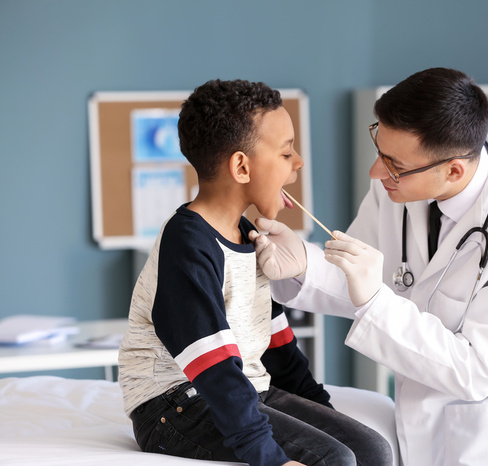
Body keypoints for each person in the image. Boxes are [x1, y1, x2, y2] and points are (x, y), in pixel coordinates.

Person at [249, 68, 488, 465]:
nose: (375, 172)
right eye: (379, 150)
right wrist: (303, 262)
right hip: (420, 409)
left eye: (393, 164)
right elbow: (359, 272)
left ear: (453, 170)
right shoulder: (398, 180)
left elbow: (479, 370)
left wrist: (374, 299)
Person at [118, 79, 392, 466]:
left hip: (246, 389)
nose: (298, 163)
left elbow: (278, 351)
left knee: (372, 450)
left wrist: (327, 419)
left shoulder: (252, 237)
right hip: (174, 405)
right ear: (242, 167)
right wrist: (269, 458)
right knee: (335, 459)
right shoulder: (187, 243)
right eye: (286, 153)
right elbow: (213, 369)